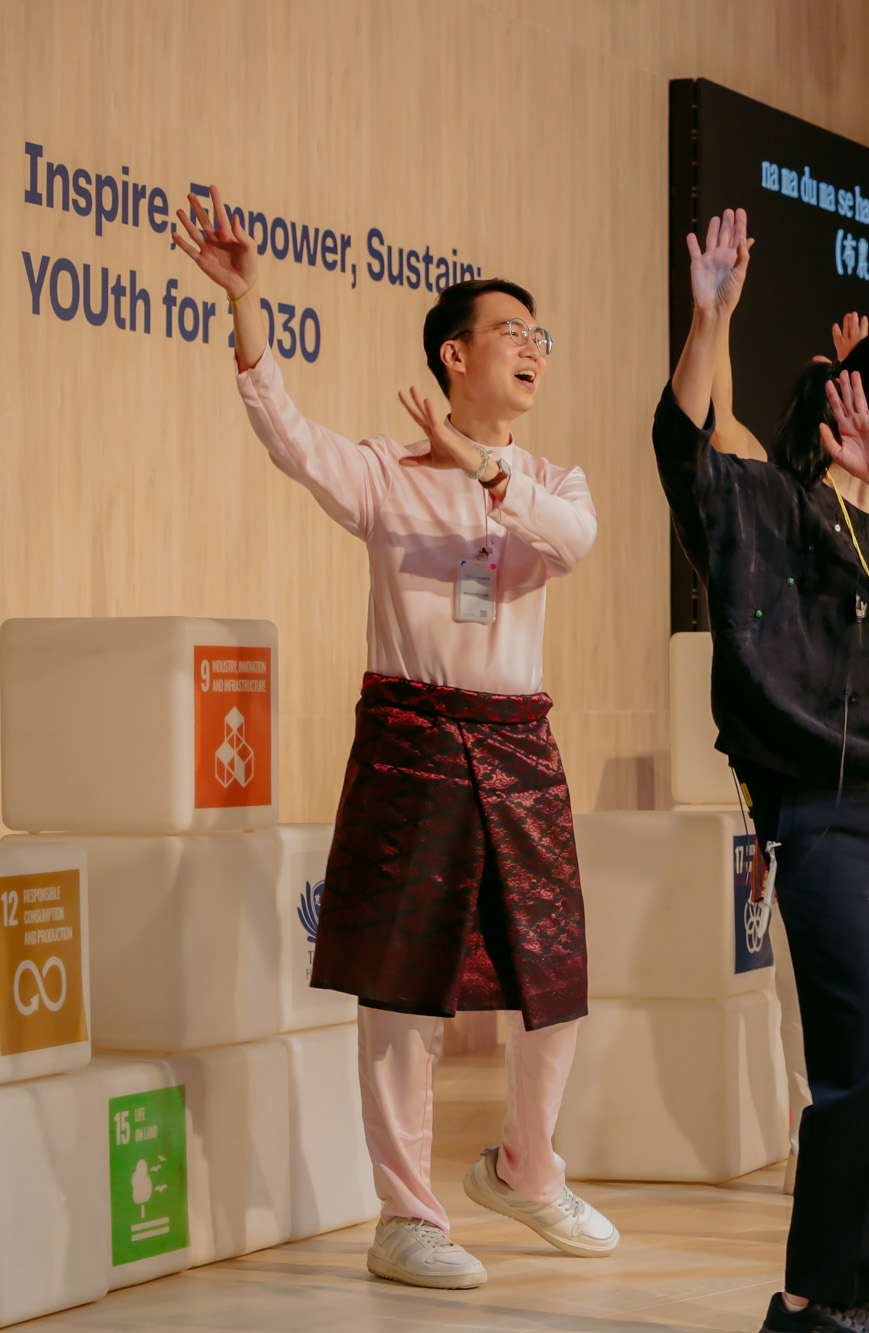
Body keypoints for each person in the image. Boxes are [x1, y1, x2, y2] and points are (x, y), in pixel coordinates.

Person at [174, 188, 617, 1290]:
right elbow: (287, 435)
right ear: (453, 355)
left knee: (554, 970)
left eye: (541, 336)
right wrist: (246, 306)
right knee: (404, 986)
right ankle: (407, 1215)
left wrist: (484, 471)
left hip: (519, 744)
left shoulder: (550, 481)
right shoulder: (383, 473)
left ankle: (527, 1167)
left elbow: (571, 540)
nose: (533, 349)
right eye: (511, 332)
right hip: (414, 737)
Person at [654, 209, 869, 1333]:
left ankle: (863, 1287)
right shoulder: (773, 509)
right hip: (825, 811)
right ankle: (807, 1298)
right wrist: (711, 320)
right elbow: (683, 449)